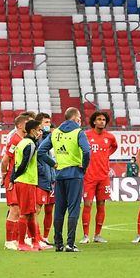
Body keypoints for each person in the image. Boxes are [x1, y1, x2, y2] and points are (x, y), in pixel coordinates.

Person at [38, 107, 91, 252]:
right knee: (73, 209)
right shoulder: (78, 132)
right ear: (75, 118)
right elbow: (86, 151)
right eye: (79, 117)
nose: (80, 120)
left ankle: (58, 244)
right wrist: (84, 166)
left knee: (59, 210)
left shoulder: (55, 133)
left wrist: (54, 164)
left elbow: (41, 151)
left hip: (59, 175)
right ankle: (70, 244)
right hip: (75, 174)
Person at [80, 111, 118, 244]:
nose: (102, 121)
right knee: (88, 204)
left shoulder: (110, 137)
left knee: (101, 205)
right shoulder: (86, 135)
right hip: (89, 176)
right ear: (94, 121)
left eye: (103, 119)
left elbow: (114, 147)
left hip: (103, 176)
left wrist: (106, 155)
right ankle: (85, 235)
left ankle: (97, 235)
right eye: (99, 119)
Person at [11, 120, 46, 251]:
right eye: (39, 130)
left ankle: (35, 242)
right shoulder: (30, 144)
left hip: (25, 182)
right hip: (26, 182)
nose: (40, 132)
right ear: (32, 131)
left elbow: (16, 163)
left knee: (31, 212)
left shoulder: (22, 143)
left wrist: (13, 178)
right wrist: (16, 176)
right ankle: (21, 243)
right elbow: (24, 164)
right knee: (25, 213)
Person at [0, 114, 30, 250]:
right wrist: (4, 175)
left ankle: (18, 239)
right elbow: (5, 160)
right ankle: (9, 241)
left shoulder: (23, 139)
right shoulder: (15, 140)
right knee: (15, 209)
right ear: (20, 125)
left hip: (20, 178)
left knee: (20, 210)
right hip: (12, 178)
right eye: (27, 124)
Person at [34, 112, 55, 246]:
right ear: (39, 124)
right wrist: (43, 173)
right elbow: (36, 158)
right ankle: (35, 237)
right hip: (41, 179)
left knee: (49, 209)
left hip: (51, 179)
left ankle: (43, 238)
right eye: (46, 122)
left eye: (49, 122)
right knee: (36, 209)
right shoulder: (38, 140)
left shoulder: (51, 138)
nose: (49, 125)